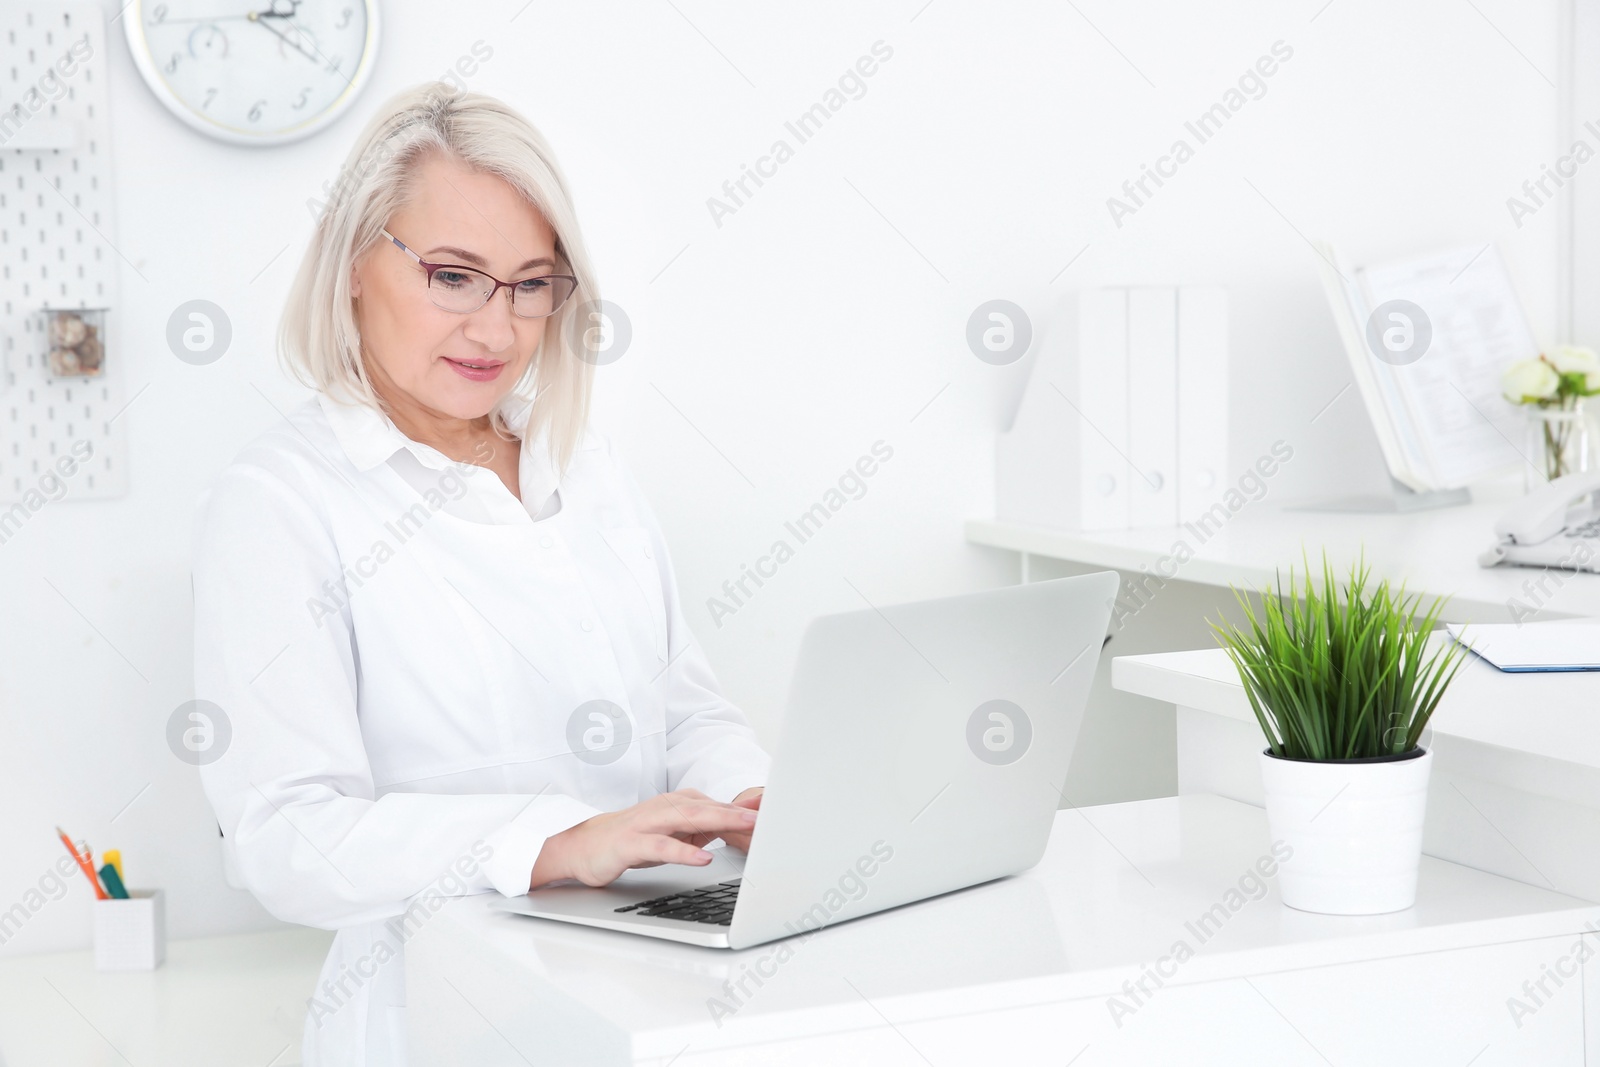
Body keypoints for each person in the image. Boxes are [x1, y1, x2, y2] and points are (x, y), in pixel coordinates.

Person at [191, 82, 770, 1066]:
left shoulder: (583, 465)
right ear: (353, 267)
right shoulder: (281, 503)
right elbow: (287, 839)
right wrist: (549, 841)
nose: (496, 330)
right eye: (455, 277)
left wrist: (753, 801)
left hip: (644, 993)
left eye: (531, 283)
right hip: (434, 1021)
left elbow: (689, 711)